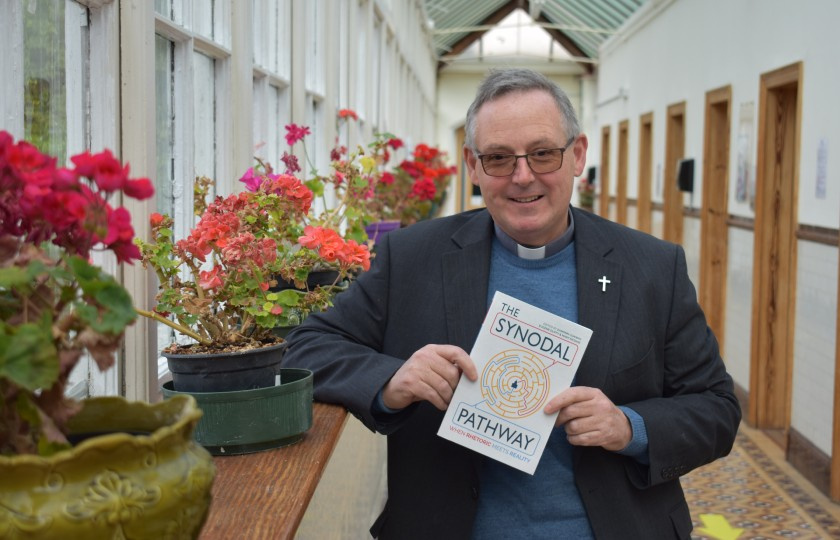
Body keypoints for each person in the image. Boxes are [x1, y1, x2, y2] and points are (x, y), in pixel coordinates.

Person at [282, 68, 741, 539]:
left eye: (543, 154)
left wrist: (630, 426)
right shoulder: (414, 257)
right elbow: (304, 348)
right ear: (472, 165)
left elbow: (717, 407)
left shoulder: (651, 267)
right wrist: (390, 380)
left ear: (578, 154)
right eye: (499, 158)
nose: (523, 177)